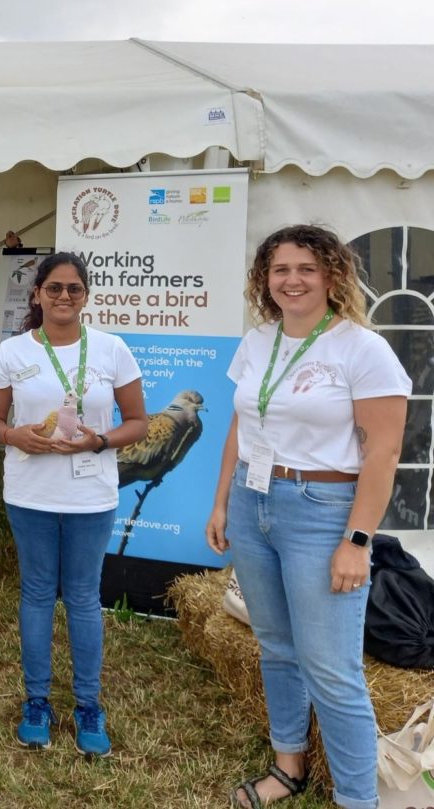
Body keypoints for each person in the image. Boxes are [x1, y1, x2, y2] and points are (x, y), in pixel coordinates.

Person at [206, 225, 410, 809]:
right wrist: (223, 501)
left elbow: (383, 452)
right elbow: (241, 427)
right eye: (279, 270)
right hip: (253, 501)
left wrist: (357, 539)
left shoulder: (361, 348)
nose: (291, 280)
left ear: (333, 276)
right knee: (275, 645)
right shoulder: (258, 341)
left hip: (322, 513)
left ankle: (356, 800)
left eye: (306, 269)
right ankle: (288, 765)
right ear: (263, 280)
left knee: (333, 670)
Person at [0, 251, 147, 756]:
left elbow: (138, 423)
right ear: (37, 294)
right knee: (35, 592)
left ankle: (88, 705)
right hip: (30, 491)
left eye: (74, 289)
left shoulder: (112, 349)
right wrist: (16, 435)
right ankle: (37, 701)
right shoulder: (12, 352)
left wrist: (98, 441)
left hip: (90, 493)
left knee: (81, 597)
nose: (63, 297)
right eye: (54, 288)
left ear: (86, 296)